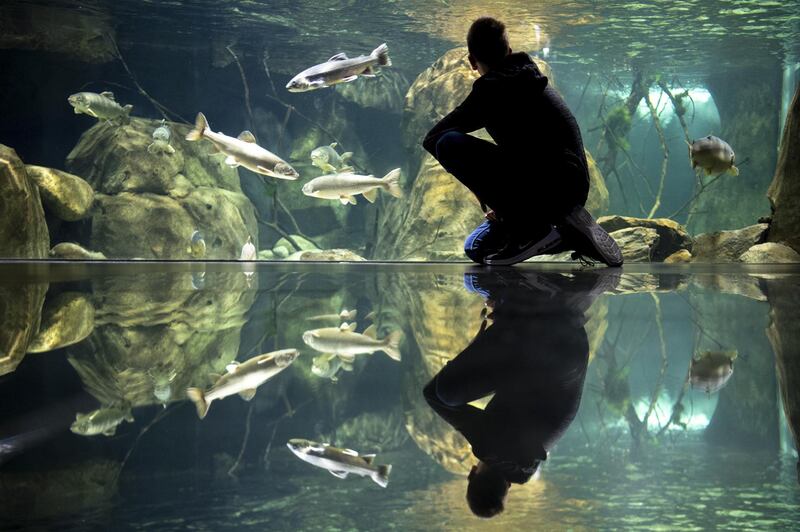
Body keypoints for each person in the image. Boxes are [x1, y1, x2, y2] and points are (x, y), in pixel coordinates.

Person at [422, 17, 623, 267]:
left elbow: (433, 139)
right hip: (570, 189)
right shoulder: (529, 76)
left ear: (472, 62)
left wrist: (485, 192)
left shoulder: (492, 88)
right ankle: (566, 236)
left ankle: (535, 232)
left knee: (448, 144)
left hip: (548, 191)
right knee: (476, 248)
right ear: (508, 50)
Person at [423, 268, 617, 518]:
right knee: (447, 393)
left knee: (514, 375)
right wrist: (474, 351)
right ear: (472, 473)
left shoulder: (532, 456)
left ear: (507, 486)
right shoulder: (488, 446)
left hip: (571, 336)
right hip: (537, 346)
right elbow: (431, 395)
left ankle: (529, 306)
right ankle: (513, 306)